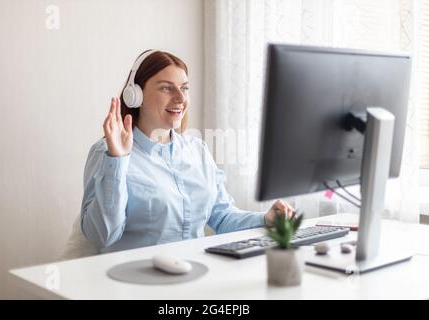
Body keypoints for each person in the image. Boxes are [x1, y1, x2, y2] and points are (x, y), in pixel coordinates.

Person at [80, 50, 294, 253]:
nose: (180, 99)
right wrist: (118, 160)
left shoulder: (198, 151)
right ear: (135, 95)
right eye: (166, 88)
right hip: (138, 283)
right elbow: (102, 236)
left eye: (184, 88)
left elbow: (222, 217)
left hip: (195, 274)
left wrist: (266, 219)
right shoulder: (107, 153)